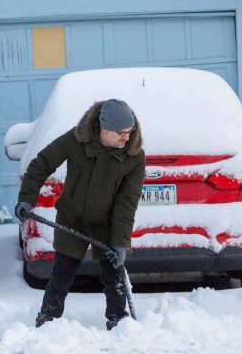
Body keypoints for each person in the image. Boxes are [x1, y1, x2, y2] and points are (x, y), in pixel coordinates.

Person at [15, 99, 145, 330]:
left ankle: (119, 324)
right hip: (73, 218)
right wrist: (26, 199)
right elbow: (41, 164)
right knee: (61, 275)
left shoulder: (134, 156)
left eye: (130, 131)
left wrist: (120, 242)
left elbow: (127, 202)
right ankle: (48, 320)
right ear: (103, 128)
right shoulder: (77, 139)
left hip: (108, 223)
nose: (126, 138)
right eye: (120, 133)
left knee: (114, 277)